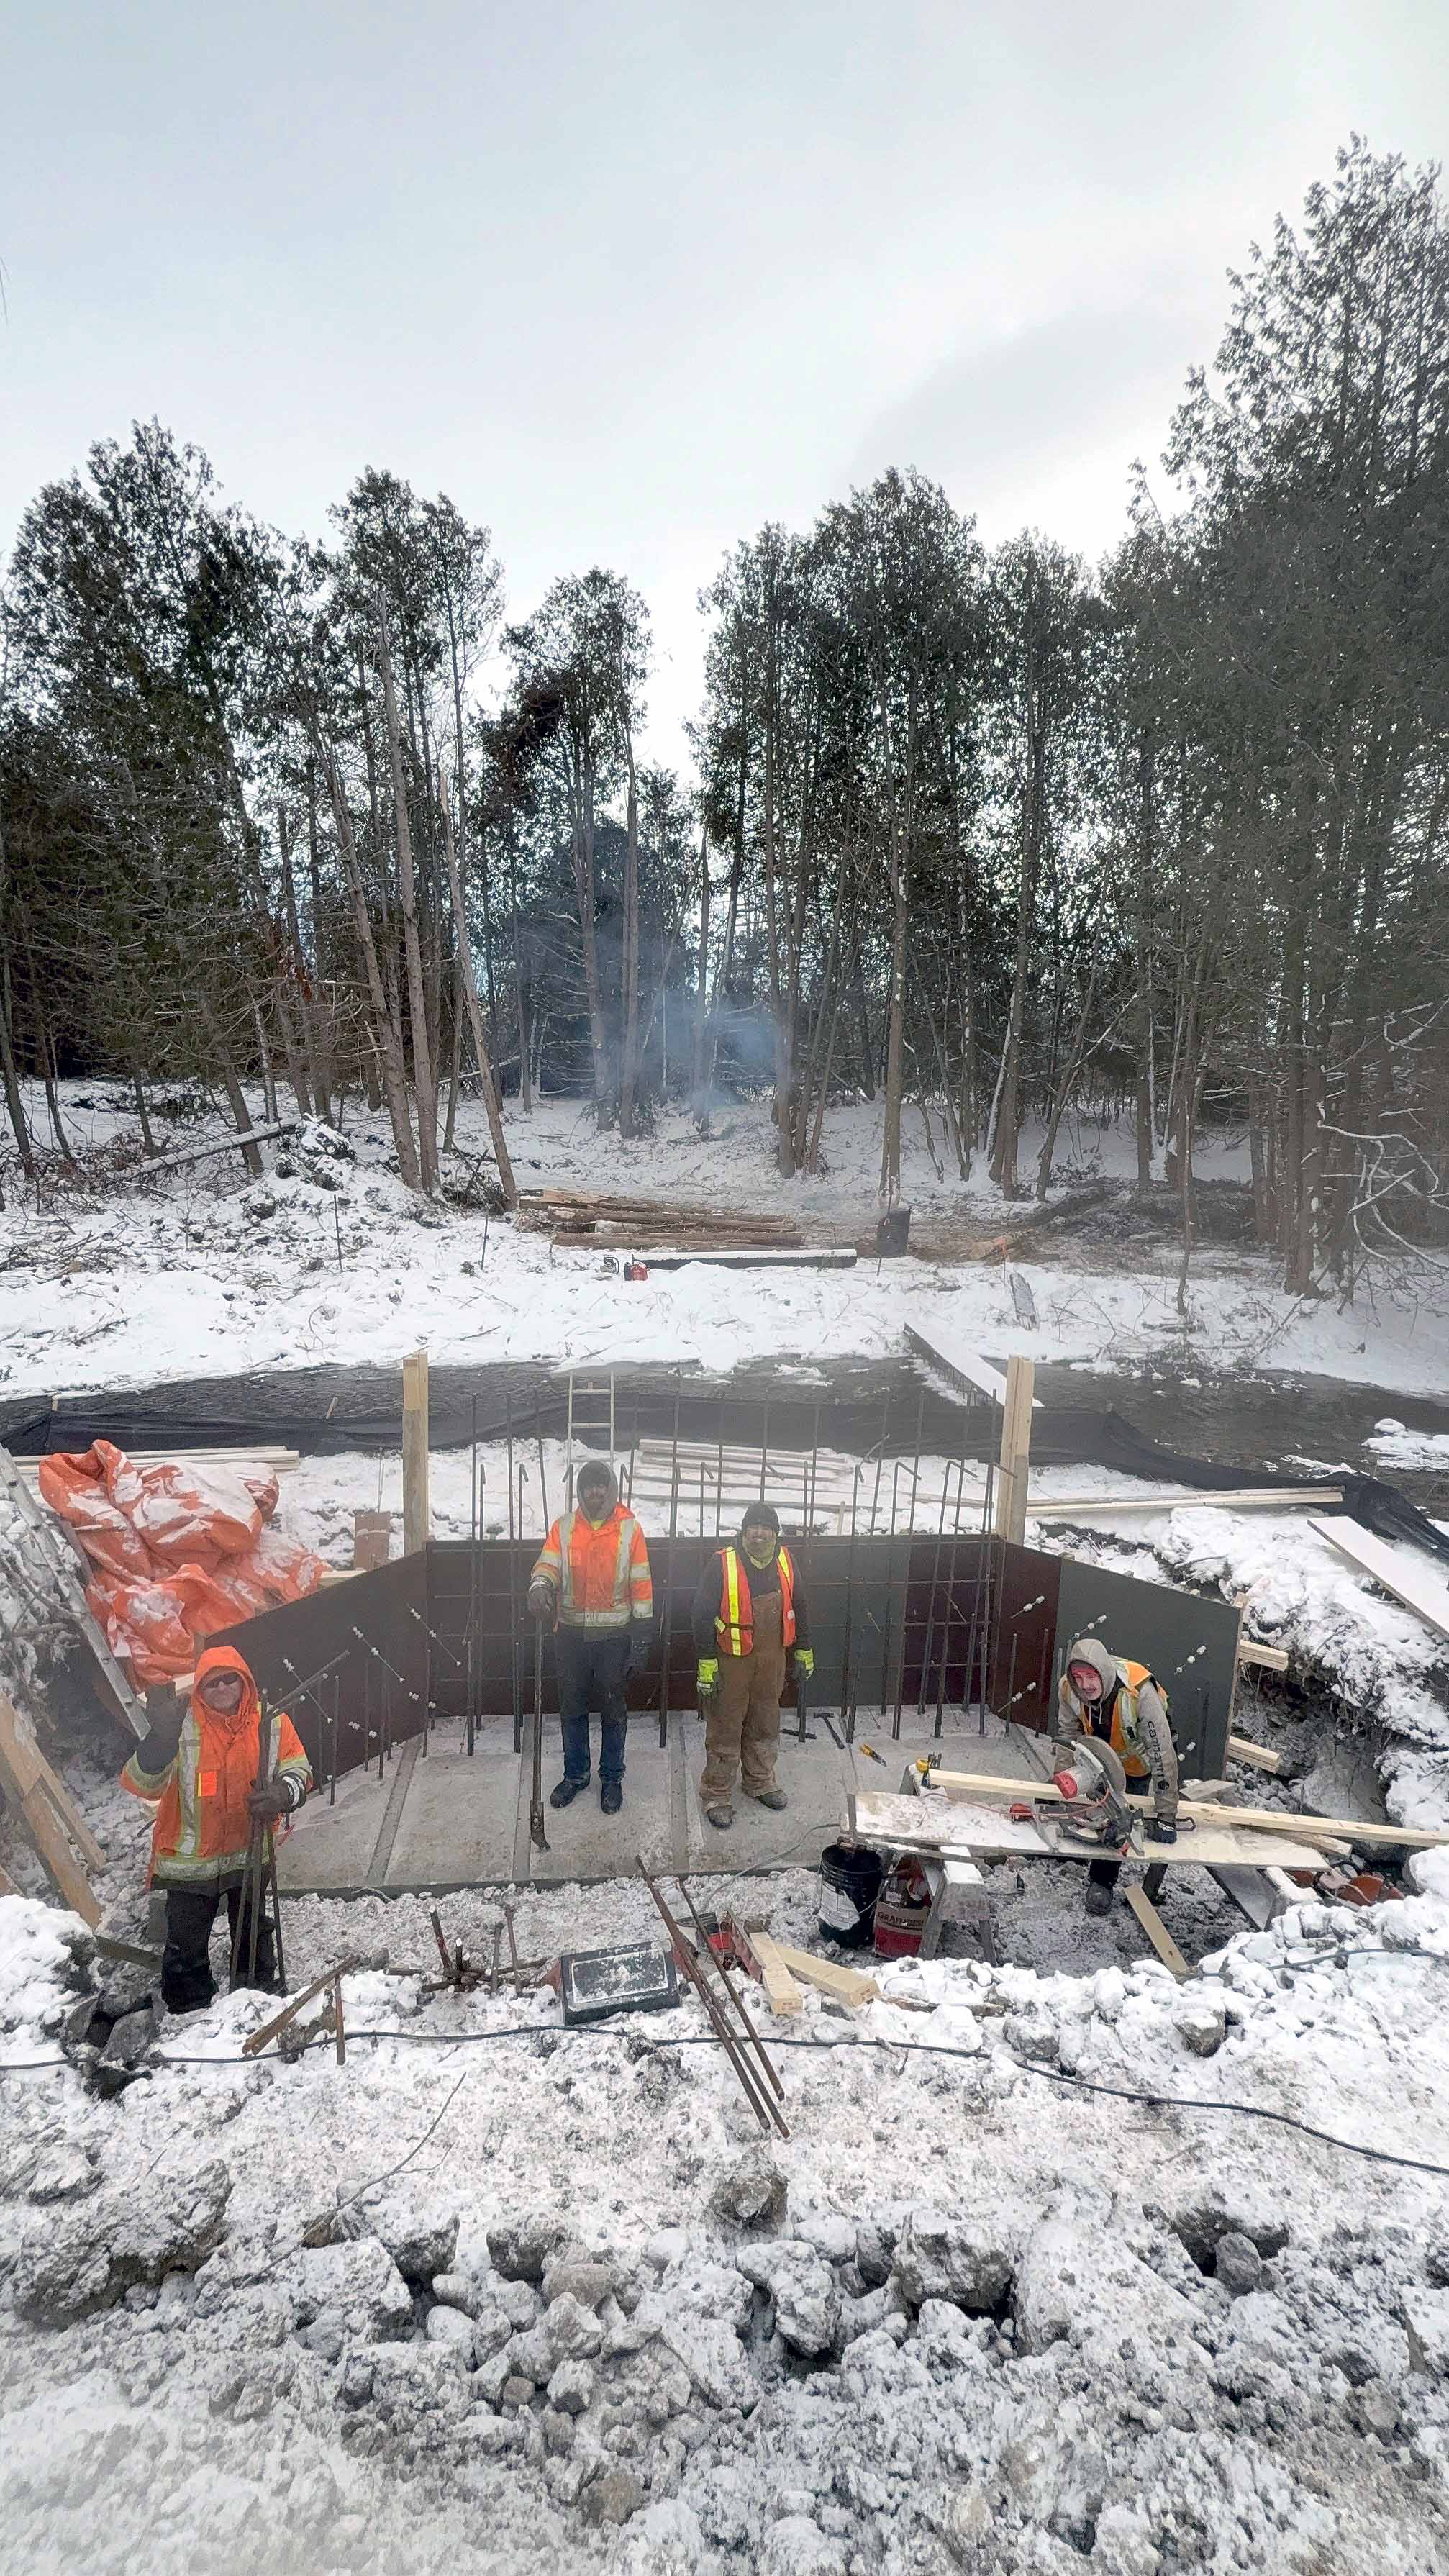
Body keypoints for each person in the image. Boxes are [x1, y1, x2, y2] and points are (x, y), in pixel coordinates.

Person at [121, 1642, 311, 2012]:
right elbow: (143, 1785)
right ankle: (188, 2007)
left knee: (253, 1931)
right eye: (213, 1683)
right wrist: (158, 1741)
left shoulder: (270, 1721)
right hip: (190, 1863)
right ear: (200, 1689)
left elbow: (298, 1768)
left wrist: (282, 1794)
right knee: (186, 1941)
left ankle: (254, 1994)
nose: (223, 1689)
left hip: (250, 1849)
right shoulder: (179, 1724)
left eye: (230, 1680)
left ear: (244, 1682)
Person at [528, 1460, 653, 1815]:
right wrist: (540, 1587)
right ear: (580, 1491)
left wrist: (641, 1642)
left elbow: (642, 1587)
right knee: (572, 1708)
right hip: (570, 1636)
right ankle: (576, 1775)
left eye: (601, 1486)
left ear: (611, 1489)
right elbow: (547, 1565)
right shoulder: (564, 1528)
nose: (595, 1493)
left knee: (613, 1710)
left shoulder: (630, 1530)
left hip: (614, 1638)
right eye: (589, 1487)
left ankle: (612, 1777)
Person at [691, 1501, 813, 1831]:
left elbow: (800, 1605)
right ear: (743, 1532)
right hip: (731, 1661)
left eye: (765, 1527)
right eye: (752, 1527)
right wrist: (706, 1662)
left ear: (776, 1533)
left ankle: (760, 1781)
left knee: (765, 1721)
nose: (758, 1533)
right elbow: (701, 1613)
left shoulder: (786, 1561)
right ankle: (716, 1795)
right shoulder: (722, 1564)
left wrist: (804, 1650)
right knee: (725, 1726)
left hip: (772, 1658)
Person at [1055, 1636, 1179, 1916]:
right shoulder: (1068, 1690)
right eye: (1079, 1677)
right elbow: (1067, 1737)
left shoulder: (1139, 1693)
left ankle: (1102, 1882)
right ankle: (1084, 1850)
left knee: (1121, 1820)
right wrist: (1062, 1787)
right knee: (1093, 1809)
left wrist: (1167, 1816)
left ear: (1103, 1671)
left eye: (1091, 1676)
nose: (1085, 1685)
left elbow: (1162, 1755)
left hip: (1140, 1760)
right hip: (1099, 1752)